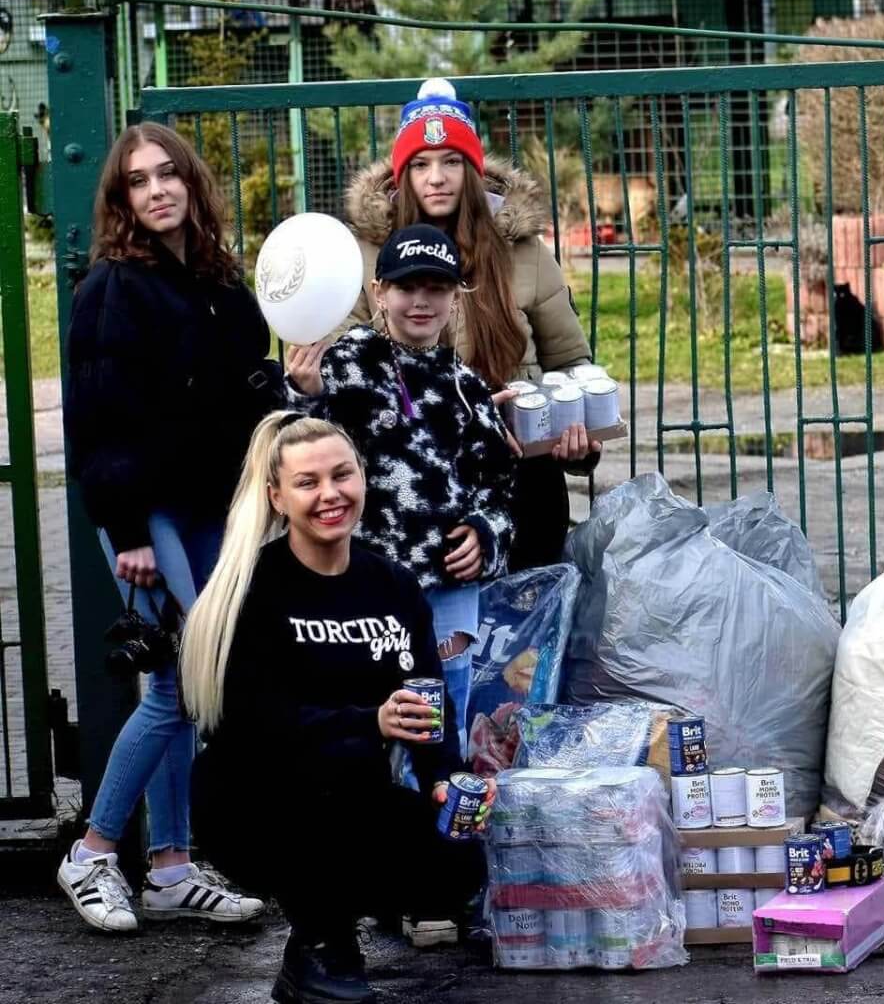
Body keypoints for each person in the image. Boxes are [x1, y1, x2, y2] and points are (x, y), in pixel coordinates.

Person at [180, 413, 490, 1003]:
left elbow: (429, 706)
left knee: (455, 858)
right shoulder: (253, 589)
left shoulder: (394, 586)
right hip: (254, 798)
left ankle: (315, 947)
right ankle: (325, 945)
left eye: (342, 475)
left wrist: (449, 783)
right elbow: (254, 725)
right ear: (276, 496)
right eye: (308, 482)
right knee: (315, 807)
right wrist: (368, 721)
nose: (330, 495)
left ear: (363, 479)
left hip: (350, 790)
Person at [58, 122, 276, 932]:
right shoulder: (113, 285)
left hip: (212, 507)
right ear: (121, 198)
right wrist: (130, 531)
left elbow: (247, 390)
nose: (157, 190)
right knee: (179, 685)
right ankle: (92, 851)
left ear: (191, 183)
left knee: (188, 687)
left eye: (169, 174)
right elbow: (96, 419)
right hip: (145, 512)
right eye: (138, 180)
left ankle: (173, 866)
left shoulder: (218, 278)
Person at [342, 78, 600, 572]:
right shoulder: (365, 260)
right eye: (420, 164)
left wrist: (574, 436)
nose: (436, 177)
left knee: (525, 641)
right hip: (412, 483)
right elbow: (347, 379)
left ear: (474, 170)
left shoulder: (524, 254)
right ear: (402, 176)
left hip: (524, 473)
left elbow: (571, 366)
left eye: (451, 161)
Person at [286, 224, 518, 659]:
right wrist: (305, 395)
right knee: (366, 708)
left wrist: (487, 536)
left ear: (456, 297)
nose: (421, 301)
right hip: (360, 578)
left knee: (443, 707)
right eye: (406, 287)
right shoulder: (346, 364)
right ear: (379, 292)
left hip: (449, 584)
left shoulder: (468, 386)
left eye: (436, 288)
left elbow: (498, 486)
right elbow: (298, 454)